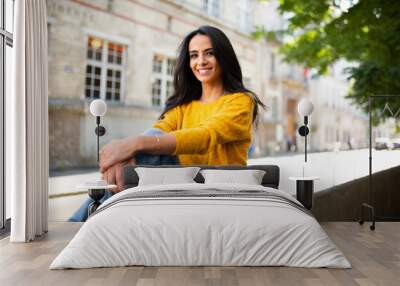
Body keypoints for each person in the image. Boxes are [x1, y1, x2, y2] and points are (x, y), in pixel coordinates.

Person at [69, 25, 266, 222]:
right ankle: (86, 227)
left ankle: (77, 225)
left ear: (223, 57)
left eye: (209, 53)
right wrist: (123, 156)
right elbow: (159, 130)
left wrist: (132, 145)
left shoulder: (241, 101)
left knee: (146, 154)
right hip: (181, 185)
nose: (201, 61)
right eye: (194, 55)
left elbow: (206, 136)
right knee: (136, 158)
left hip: (222, 187)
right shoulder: (183, 106)